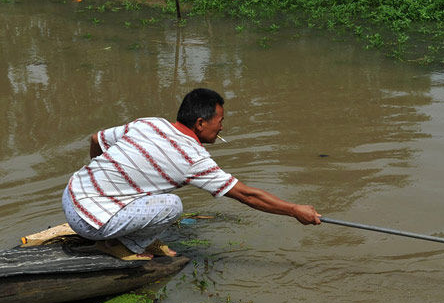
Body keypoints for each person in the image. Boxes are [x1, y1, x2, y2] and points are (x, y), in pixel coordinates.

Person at [62, 88, 321, 260]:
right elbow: (247, 195)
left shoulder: (150, 123)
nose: (222, 127)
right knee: (172, 205)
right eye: (219, 121)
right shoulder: (193, 159)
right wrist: (294, 210)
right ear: (200, 123)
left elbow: (96, 138)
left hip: (71, 194)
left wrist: (103, 181)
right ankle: (123, 246)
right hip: (88, 223)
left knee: (147, 189)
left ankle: (123, 228)